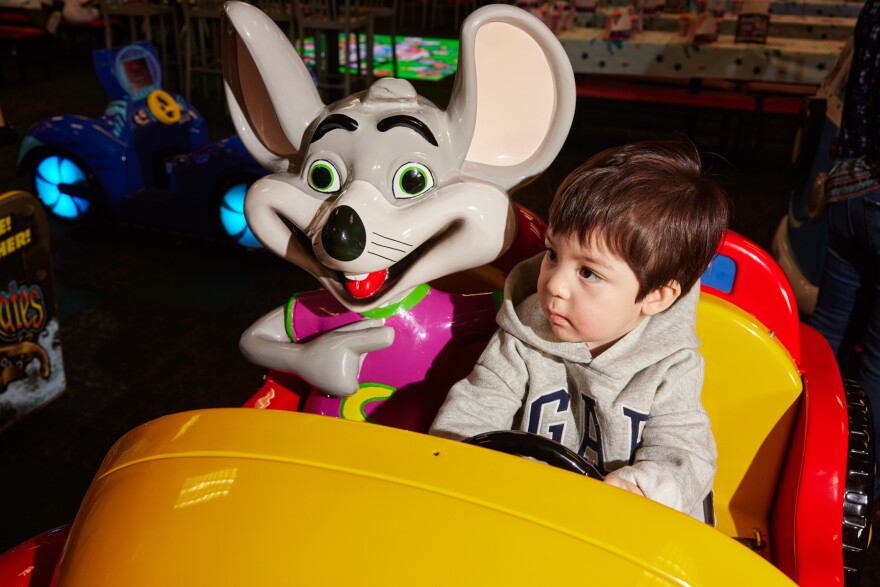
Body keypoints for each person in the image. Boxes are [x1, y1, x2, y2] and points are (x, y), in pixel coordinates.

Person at [430, 140, 731, 521]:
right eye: (553, 254)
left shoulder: (672, 364)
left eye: (588, 272)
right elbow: (473, 410)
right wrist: (460, 458)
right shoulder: (524, 335)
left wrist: (645, 486)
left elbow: (685, 451)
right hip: (531, 510)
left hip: (623, 524)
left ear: (655, 296)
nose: (555, 284)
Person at [808, 0, 880, 497]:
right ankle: (856, 486)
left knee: (823, 338)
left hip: (849, 188)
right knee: (876, 361)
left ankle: (797, 449)